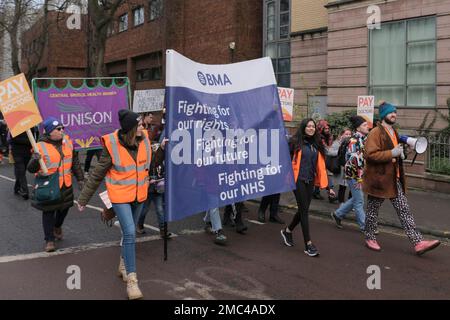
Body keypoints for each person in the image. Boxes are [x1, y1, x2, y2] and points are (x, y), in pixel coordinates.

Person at [77, 109, 151, 300]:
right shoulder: (112, 146)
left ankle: (123, 265)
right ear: (132, 128)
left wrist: (163, 150)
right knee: (129, 232)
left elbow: (148, 166)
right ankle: (133, 281)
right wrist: (83, 199)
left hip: (139, 194)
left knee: (130, 232)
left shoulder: (145, 140)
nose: (144, 126)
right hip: (119, 196)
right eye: (140, 124)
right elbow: (97, 174)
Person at [363, 102, 440, 255]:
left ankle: (418, 243)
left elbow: (395, 151)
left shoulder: (394, 132)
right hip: (379, 180)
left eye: (395, 112)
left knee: (404, 210)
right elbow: (369, 155)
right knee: (372, 211)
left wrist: (403, 152)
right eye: (391, 113)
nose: (394, 115)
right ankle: (370, 237)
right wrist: (391, 154)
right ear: (384, 115)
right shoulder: (376, 132)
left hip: (393, 180)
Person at [27, 117, 84, 252]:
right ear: (49, 132)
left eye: (62, 128)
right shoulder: (39, 146)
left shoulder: (68, 142)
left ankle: (57, 226)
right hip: (49, 185)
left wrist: (80, 178)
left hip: (66, 183)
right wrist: (35, 160)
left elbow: (74, 160)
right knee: (48, 211)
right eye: (58, 129)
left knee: (64, 209)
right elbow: (31, 169)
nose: (62, 130)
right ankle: (49, 240)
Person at [281, 118, 334, 257]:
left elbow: (322, 167)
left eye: (313, 126)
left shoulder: (316, 144)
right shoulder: (294, 142)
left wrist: (329, 186)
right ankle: (308, 244)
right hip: (297, 179)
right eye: (308, 126)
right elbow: (285, 159)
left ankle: (287, 231)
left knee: (303, 209)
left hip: (310, 181)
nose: (311, 128)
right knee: (304, 211)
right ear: (303, 127)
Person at [331, 116, 369, 231]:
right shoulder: (354, 140)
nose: (367, 126)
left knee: (356, 198)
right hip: (353, 175)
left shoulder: (363, 138)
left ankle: (338, 214)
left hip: (358, 175)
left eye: (367, 124)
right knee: (359, 200)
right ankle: (365, 227)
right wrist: (358, 179)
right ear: (358, 128)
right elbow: (353, 161)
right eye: (364, 125)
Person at [9, 128, 38, 199]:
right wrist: (29, 141)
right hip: (17, 153)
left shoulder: (30, 127)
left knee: (22, 171)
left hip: (27, 153)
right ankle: (25, 191)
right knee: (21, 171)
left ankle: (16, 188)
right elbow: (13, 139)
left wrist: (33, 142)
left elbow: (34, 139)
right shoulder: (14, 127)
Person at [329, 128, 352, 205]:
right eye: (346, 134)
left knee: (352, 186)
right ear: (342, 135)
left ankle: (350, 203)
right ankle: (341, 202)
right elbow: (330, 152)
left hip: (350, 167)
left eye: (349, 134)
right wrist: (340, 151)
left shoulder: (352, 143)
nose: (348, 135)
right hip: (341, 167)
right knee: (342, 186)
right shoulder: (337, 143)